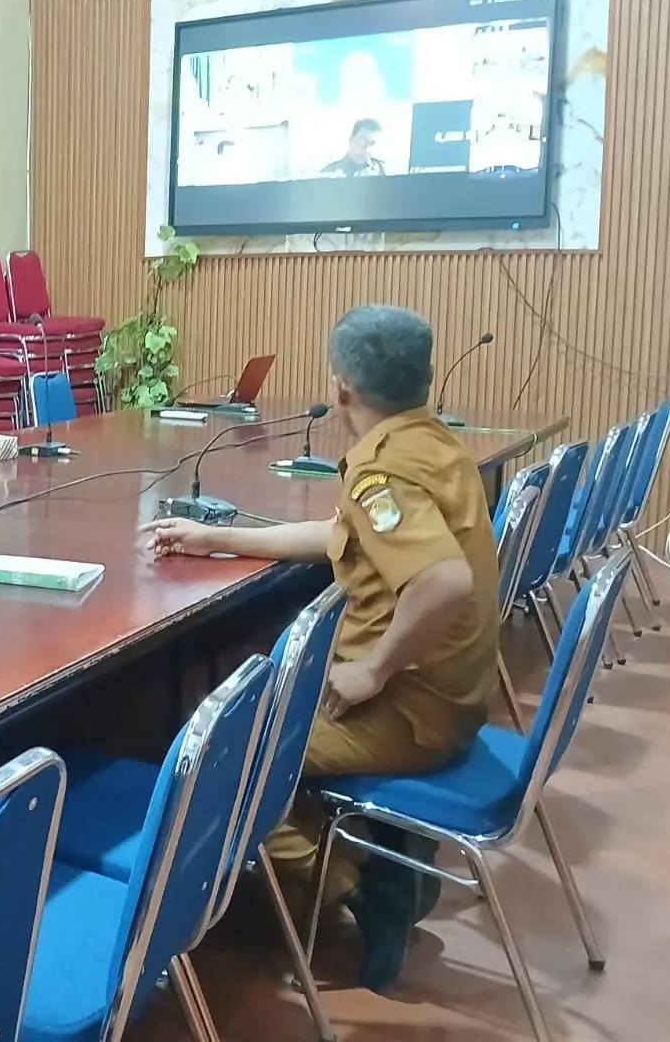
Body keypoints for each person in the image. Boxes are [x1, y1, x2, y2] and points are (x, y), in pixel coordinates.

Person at [141, 304, 498, 991]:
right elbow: (343, 534)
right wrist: (222, 536)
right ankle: (381, 851)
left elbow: (443, 581)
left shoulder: (382, 472)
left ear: (341, 390)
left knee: (214, 754)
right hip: (453, 692)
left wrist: (373, 669)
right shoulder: (431, 443)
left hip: (412, 707)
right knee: (252, 711)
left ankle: (360, 888)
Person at [321, 119, 387, 178]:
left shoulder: (384, 171)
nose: (367, 148)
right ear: (350, 140)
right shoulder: (329, 172)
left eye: (372, 143)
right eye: (362, 141)